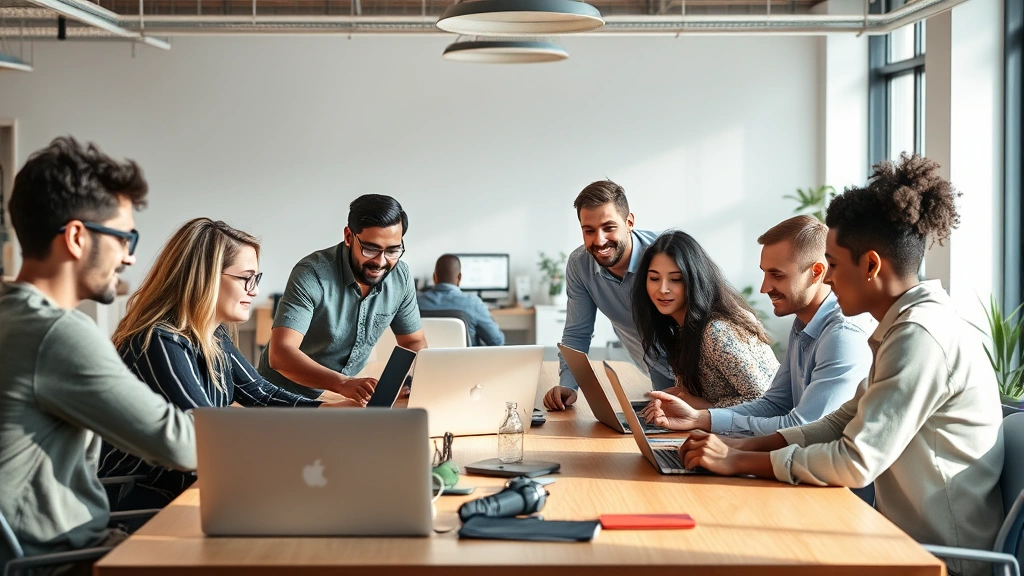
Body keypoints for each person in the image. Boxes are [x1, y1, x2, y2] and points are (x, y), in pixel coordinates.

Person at [678, 154, 1003, 576]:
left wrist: (739, 462)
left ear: (870, 265)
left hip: (937, 561)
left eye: (832, 264)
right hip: (894, 540)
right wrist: (739, 446)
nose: (826, 279)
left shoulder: (919, 336)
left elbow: (854, 460)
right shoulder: (902, 327)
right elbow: (837, 423)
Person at [0, 137, 196, 569]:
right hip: (67, 560)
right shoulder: (58, 332)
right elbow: (181, 446)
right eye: (124, 238)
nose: (130, 257)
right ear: (75, 237)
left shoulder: (12, 317)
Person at [98, 218, 358, 510]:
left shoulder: (212, 335)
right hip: (143, 500)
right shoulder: (159, 341)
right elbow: (209, 431)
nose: (254, 290)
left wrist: (331, 411)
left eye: (256, 279)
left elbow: (261, 394)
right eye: (246, 278)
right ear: (207, 277)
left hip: (188, 489)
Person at [640, 215, 874, 434]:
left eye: (777, 275)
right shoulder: (802, 324)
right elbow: (774, 404)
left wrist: (728, 452)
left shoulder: (842, 334)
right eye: (765, 273)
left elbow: (802, 429)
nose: (764, 288)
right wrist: (700, 418)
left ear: (816, 272)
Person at [258, 194, 428, 400]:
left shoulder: (400, 277)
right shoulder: (312, 273)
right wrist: (343, 383)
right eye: (371, 249)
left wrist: (401, 383)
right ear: (349, 237)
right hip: (284, 395)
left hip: (341, 395)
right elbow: (281, 354)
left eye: (393, 250)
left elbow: (413, 341)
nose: (381, 262)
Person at [543, 180, 674, 411]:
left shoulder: (667, 253)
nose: (599, 240)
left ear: (629, 222)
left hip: (701, 366)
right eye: (589, 231)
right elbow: (577, 332)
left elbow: (706, 315)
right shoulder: (580, 265)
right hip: (656, 367)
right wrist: (568, 385)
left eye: (609, 227)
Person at [630, 230, 777, 408]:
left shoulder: (717, 331)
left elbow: (763, 400)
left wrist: (700, 405)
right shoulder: (682, 328)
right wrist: (681, 395)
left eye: (675, 279)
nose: (662, 289)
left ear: (695, 280)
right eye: (654, 278)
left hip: (762, 432)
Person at [417, 254, 505, 346]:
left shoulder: (416, 302)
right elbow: (497, 342)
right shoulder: (474, 303)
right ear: (459, 277)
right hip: (466, 360)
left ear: (434, 277)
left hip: (427, 360)